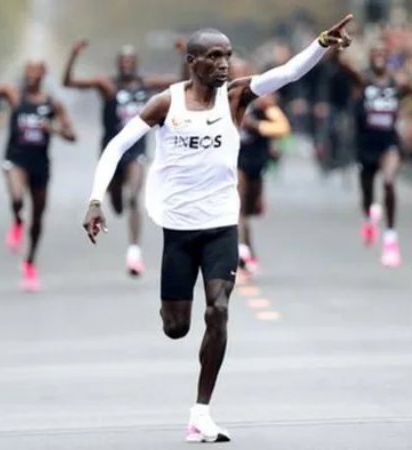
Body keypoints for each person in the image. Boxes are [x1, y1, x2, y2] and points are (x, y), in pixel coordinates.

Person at [83, 16, 353, 442]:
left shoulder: (236, 96)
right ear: (192, 62)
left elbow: (286, 73)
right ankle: (172, 312)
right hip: (178, 227)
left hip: (222, 224)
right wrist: (96, 199)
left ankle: (201, 412)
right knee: (176, 327)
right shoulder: (166, 104)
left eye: (227, 55)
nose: (223, 63)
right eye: (213, 56)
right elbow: (116, 147)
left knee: (219, 309)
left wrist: (321, 44)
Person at [63, 39, 186, 277]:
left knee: (133, 198)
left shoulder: (146, 84)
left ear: (136, 63)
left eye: (131, 60)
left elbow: (181, 82)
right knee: (118, 203)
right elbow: (68, 82)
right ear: (118, 64)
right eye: (123, 60)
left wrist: (184, 57)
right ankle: (116, 197)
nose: (127, 64)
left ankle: (134, 252)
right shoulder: (107, 85)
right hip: (114, 150)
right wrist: (73, 55)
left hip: (137, 149)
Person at [0, 37, 76, 291]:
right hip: (16, 158)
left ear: (44, 75)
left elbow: (72, 135)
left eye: (36, 71)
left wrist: (54, 129)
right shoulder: (13, 95)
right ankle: (17, 219)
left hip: (40, 163)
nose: (31, 75)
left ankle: (30, 263)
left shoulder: (52, 103)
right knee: (17, 197)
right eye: (28, 71)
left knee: (37, 217)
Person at [336, 46, 405, 268]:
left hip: (389, 143)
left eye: (383, 55)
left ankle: (391, 238)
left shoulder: (396, 84)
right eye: (375, 55)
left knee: (388, 182)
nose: (379, 59)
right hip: (366, 143)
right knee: (367, 190)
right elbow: (343, 67)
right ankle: (368, 217)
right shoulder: (362, 82)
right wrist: (338, 48)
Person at [230, 58, 291, 275]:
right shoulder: (222, 99)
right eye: (233, 72)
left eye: (241, 71)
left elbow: (282, 128)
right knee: (237, 208)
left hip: (256, 159)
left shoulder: (261, 100)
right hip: (235, 160)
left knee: (248, 210)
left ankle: (247, 250)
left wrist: (255, 126)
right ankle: (243, 252)